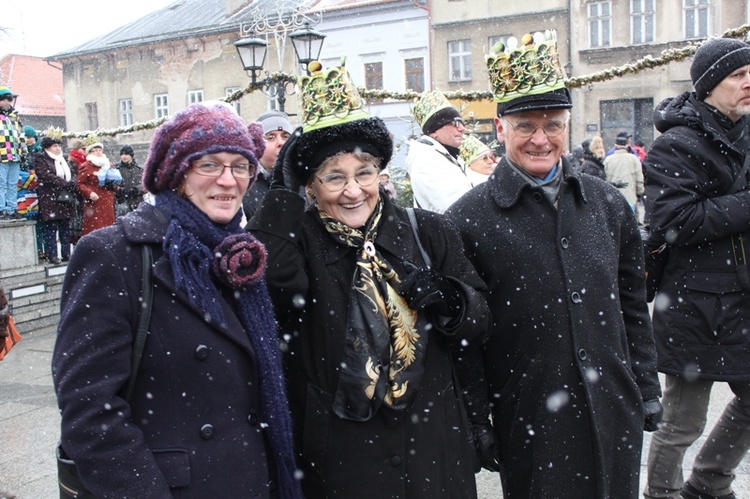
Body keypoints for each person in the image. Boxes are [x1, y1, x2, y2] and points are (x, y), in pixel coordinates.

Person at [248, 61, 490, 498]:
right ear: (311, 187)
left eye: (363, 174)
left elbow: (478, 320)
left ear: (380, 174)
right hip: (342, 453)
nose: (353, 190)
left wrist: (450, 299)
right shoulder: (299, 238)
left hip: (432, 443)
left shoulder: (428, 230)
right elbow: (268, 285)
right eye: (334, 177)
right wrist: (281, 195)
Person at [446, 30, 662, 498]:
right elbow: (466, 336)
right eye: (525, 125)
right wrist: (477, 417)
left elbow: (631, 304)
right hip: (529, 411)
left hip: (611, 403)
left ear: (568, 125)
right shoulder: (466, 220)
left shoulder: (605, 204)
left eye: (553, 124)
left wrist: (645, 383)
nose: (541, 139)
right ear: (500, 129)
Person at [52, 102, 301, 498]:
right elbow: (90, 410)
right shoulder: (116, 253)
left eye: (241, 166)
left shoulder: (240, 257)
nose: (229, 180)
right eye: (210, 165)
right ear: (176, 175)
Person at [642, 37, 750, 499]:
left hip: (743, 300)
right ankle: (661, 494)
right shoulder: (675, 145)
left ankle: (709, 480)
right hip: (693, 305)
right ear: (710, 86)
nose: (749, 83)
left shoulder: (746, 133)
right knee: (682, 419)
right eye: (738, 75)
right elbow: (675, 222)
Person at [406, 90, 473, 213]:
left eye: (462, 123)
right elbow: (455, 208)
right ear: (434, 131)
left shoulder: (448, 156)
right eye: (455, 123)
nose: (462, 129)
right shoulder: (425, 159)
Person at [242, 111, 293, 220]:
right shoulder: (246, 186)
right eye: (271, 137)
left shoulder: (304, 182)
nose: (281, 143)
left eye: (285, 137)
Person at [34, 136, 75, 264]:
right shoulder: (41, 159)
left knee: (65, 227)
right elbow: (45, 175)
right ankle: (52, 254)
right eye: (54, 146)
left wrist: (72, 183)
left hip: (65, 197)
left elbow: (73, 173)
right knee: (51, 227)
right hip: (50, 197)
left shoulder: (64, 159)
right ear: (47, 148)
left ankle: (66, 253)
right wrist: (63, 183)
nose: (58, 149)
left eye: (59, 146)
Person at [76, 142, 116, 236]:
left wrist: (114, 186)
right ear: (90, 153)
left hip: (107, 200)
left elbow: (116, 181)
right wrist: (89, 193)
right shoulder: (86, 166)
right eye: (95, 151)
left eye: (99, 150)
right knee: (94, 227)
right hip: (94, 202)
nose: (98, 152)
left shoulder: (108, 165)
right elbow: (80, 183)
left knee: (108, 226)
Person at [0, 86, 25, 220]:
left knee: (12, 184)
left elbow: (21, 135)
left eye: (9, 99)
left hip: (14, 155)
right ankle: (1, 209)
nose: (7, 102)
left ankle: (12, 208)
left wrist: (23, 152)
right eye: (4, 99)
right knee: (1, 183)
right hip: (1, 155)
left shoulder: (14, 116)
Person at [604, 133, 644, 213]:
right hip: (630, 198)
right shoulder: (634, 159)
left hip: (613, 198)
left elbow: (604, 178)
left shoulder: (608, 160)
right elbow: (639, 179)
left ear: (615, 145)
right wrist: (639, 193)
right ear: (627, 146)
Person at [114, 144, 144, 218]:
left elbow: (144, 185)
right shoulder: (116, 169)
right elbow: (112, 184)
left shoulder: (139, 170)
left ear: (131, 155)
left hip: (137, 202)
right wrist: (121, 190)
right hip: (122, 202)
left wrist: (136, 190)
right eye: (122, 154)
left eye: (126, 154)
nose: (124, 157)